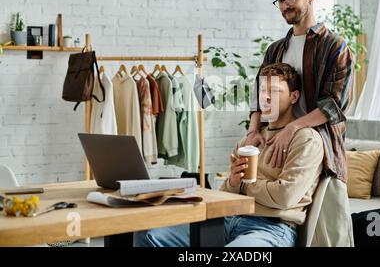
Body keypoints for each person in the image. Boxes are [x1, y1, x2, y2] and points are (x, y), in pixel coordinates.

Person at [134, 63, 323, 247]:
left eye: (274, 91)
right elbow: (225, 196)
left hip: (270, 228)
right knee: (148, 235)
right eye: (262, 90)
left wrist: (245, 184)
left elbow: (285, 197)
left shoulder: (305, 140)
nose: (265, 97)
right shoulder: (248, 142)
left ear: (294, 96)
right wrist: (233, 182)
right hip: (227, 221)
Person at [246, 0, 355, 246]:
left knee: (328, 236)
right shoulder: (275, 49)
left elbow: (334, 105)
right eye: (280, 1)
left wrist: (294, 127)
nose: (285, 6)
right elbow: (258, 93)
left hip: (321, 149)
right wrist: (253, 130)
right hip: (278, 142)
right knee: (282, 216)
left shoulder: (336, 47)